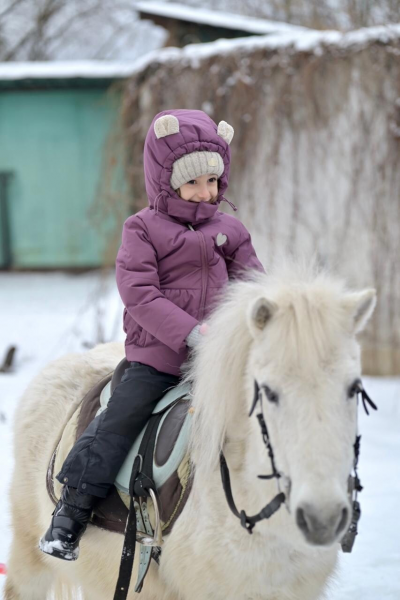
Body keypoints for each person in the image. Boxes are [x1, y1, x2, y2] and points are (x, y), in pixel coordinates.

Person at [39, 109, 265, 560]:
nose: (205, 193)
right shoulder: (142, 229)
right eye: (193, 182)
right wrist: (191, 334)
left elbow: (253, 283)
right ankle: (73, 511)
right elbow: (139, 294)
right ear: (166, 181)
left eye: (213, 182)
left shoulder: (231, 229)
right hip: (158, 359)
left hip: (220, 359)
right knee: (118, 421)